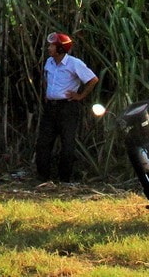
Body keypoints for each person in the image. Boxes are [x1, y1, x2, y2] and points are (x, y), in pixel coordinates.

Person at [35, 32, 98, 184]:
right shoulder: (49, 62)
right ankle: (43, 177)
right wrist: (48, 93)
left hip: (67, 108)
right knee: (43, 142)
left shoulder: (74, 63)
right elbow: (46, 78)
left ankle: (65, 179)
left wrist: (80, 96)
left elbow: (93, 79)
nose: (49, 48)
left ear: (60, 49)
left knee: (67, 143)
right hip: (51, 107)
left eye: (52, 46)